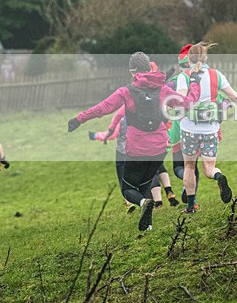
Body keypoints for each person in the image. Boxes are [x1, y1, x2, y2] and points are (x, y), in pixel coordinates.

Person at [68, 52, 201, 231]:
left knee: (128, 189)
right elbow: (188, 103)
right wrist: (195, 82)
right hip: (160, 146)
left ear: (132, 71)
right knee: (146, 183)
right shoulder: (163, 90)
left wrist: (79, 119)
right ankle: (148, 226)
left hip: (137, 148)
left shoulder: (126, 92)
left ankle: (143, 203)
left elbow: (103, 108)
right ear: (149, 67)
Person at [176, 42, 237, 213]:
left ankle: (191, 206)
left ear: (188, 59)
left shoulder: (184, 76)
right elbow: (233, 95)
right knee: (209, 168)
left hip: (189, 128)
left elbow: (180, 101)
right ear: (205, 57)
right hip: (211, 129)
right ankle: (219, 177)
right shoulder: (216, 75)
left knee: (189, 166)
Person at [167, 45, 199, 209]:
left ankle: (189, 190)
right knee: (194, 165)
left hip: (178, 128)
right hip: (199, 126)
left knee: (180, 166)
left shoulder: (176, 80)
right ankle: (193, 199)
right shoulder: (203, 77)